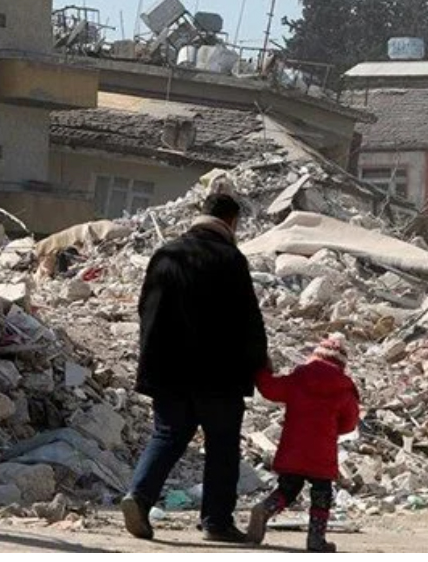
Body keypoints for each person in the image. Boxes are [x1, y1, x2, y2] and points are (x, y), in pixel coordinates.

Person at [121, 193, 268, 543]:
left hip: (168, 369)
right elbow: (247, 317)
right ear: (232, 222)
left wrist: (151, 363)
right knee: (222, 444)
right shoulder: (230, 259)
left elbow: (147, 310)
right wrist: (259, 360)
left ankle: (139, 498)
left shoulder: (166, 254)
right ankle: (216, 522)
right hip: (218, 374)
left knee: (167, 435)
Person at [245, 333, 360, 552]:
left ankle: (265, 508)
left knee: (288, 489)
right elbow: (350, 423)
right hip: (322, 453)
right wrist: (332, 429)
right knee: (322, 495)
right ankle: (316, 541)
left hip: (293, 449)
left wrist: (262, 370)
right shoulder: (345, 389)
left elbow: (270, 389)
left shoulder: (299, 377)